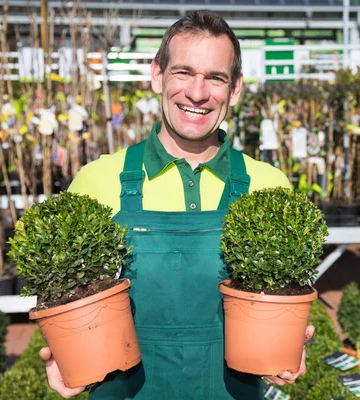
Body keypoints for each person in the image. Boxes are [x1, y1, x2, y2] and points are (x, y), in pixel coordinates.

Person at [39, 10, 314, 399]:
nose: (198, 93)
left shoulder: (269, 187)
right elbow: (63, 296)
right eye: (183, 72)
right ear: (158, 75)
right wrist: (66, 358)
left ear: (235, 89)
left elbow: (286, 307)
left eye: (215, 78)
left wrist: (289, 347)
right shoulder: (98, 180)